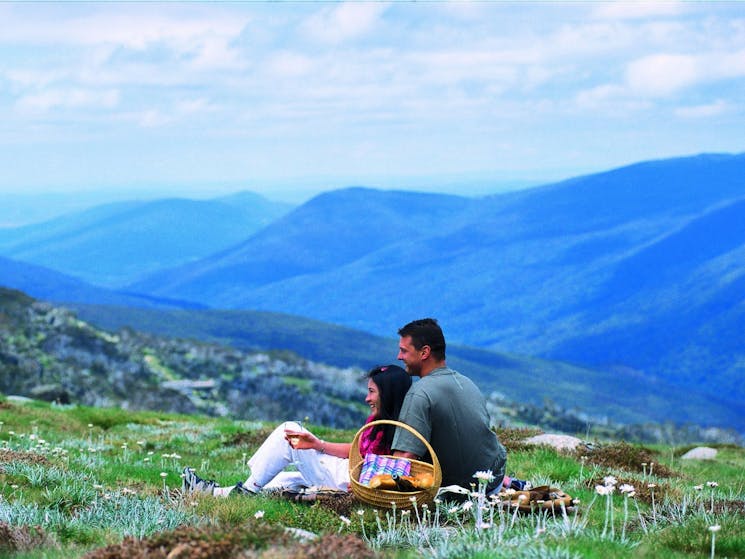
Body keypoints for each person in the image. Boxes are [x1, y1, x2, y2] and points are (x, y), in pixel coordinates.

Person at [183, 364, 412, 496]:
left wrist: (364, 489)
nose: (367, 397)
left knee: (289, 429)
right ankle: (216, 492)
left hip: (348, 480)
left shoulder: (399, 428)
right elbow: (356, 451)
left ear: (388, 393)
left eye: (372, 391)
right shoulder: (378, 421)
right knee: (279, 479)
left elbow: (396, 469)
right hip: (345, 471)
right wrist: (317, 445)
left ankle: (248, 490)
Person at [392, 318, 508, 494]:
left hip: (456, 493)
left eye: (404, 351)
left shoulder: (419, 393)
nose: (399, 357)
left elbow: (404, 459)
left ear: (424, 352)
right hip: (493, 480)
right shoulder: (467, 383)